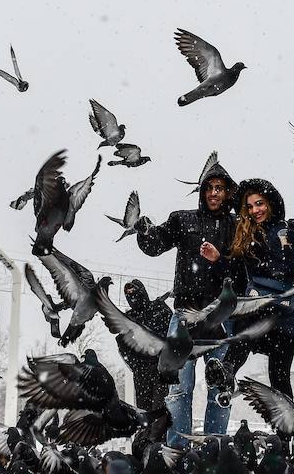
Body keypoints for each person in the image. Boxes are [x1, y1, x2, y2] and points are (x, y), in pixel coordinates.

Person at [135, 160, 238, 448]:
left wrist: (222, 259)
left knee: (220, 385)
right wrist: (145, 232)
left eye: (220, 188)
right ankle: (177, 451)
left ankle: (213, 450)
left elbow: (243, 271)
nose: (214, 193)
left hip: (220, 317)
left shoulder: (236, 226)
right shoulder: (183, 220)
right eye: (209, 187)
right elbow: (156, 245)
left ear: (229, 193)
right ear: (202, 190)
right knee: (179, 387)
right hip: (184, 317)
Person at [201, 178, 294, 399]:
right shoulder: (248, 234)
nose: (255, 210)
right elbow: (237, 270)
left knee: (278, 374)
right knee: (244, 333)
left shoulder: (289, 229)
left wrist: (291, 243)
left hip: (287, 313)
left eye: (259, 204)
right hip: (260, 306)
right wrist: (218, 259)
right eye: (250, 206)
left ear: (271, 203)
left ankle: (287, 429)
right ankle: (227, 371)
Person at [116, 279, 172, 411]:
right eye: (128, 293)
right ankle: (146, 432)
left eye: (134, 291)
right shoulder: (128, 318)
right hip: (141, 372)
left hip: (161, 368)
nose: (132, 296)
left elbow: (173, 332)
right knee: (144, 411)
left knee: (160, 408)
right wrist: (136, 366)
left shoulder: (159, 308)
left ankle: (160, 431)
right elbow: (122, 345)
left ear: (142, 291)